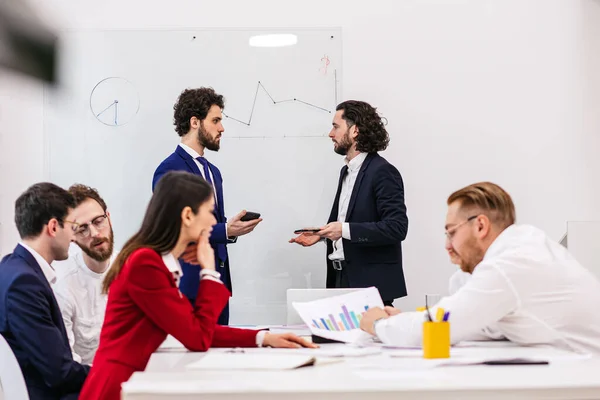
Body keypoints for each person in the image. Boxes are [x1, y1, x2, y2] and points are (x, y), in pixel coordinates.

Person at [80, 171, 314, 400]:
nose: (214, 221)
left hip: (128, 382)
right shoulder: (146, 263)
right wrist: (209, 271)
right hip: (115, 388)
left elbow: (191, 327)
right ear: (188, 216)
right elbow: (197, 337)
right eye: (210, 212)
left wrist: (263, 338)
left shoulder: (154, 260)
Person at [360, 182, 600, 354]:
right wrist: (412, 319)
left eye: (451, 232)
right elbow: (477, 324)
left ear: (481, 226)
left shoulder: (509, 264)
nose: (447, 245)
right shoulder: (523, 245)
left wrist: (379, 324)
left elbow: (441, 326)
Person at [152, 87, 262, 325]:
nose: (221, 128)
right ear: (195, 122)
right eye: (216, 120)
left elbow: (211, 224)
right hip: (188, 284)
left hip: (218, 283)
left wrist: (230, 231)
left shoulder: (214, 172)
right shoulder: (170, 170)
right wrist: (225, 231)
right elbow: (174, 228)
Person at [289, 100, 409, 306]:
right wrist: (320, 236)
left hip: (370, 286)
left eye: (336, 126)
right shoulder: (346, 171)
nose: (330, 133)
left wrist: (342, 230)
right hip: (340, 278)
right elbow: (347, 222)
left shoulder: (382, 172)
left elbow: (397, 228)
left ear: (355, 131)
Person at [0, 183, 90, 400]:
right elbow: (60, 373)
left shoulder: (10, 267)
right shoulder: (24, 283)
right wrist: (106, 372)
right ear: (53, 227)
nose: (74, 237)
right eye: (72, 226)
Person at [53, 184, 115, 365]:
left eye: (98, 221)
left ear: (109, 218)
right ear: (71, 236)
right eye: (82, 229)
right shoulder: (62, 285)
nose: (95, 234)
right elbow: (67, 364)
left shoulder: (131, 269)